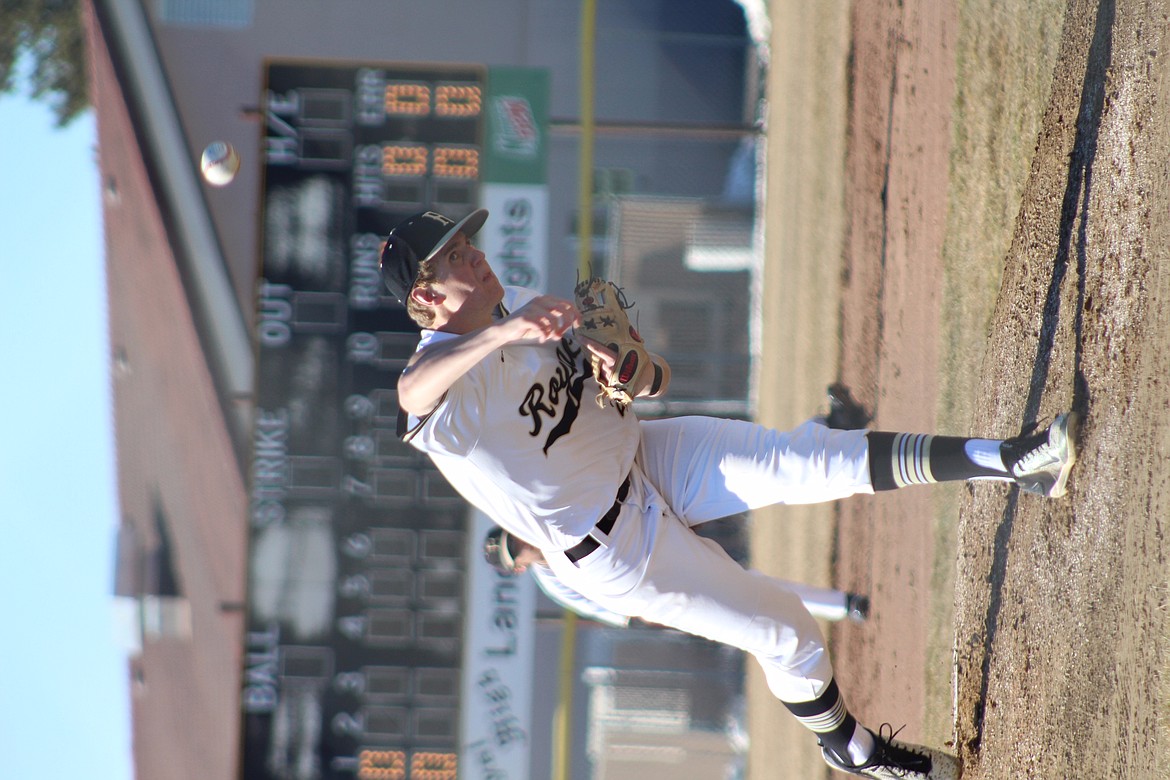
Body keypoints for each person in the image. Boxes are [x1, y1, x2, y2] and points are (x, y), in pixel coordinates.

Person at [380, 208, 1079, 780]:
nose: (475, 255)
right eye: (454, 257)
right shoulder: (447, 400)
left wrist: (633, 367)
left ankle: (1015, 460)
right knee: (787, 632)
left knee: (807, 460)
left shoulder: (528, 308)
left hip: (648, 453)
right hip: (616, 549)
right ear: (424, 297)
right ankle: (855, 752)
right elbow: (411, 395)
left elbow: (652, 381)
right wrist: (501, 330)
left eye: (468, 242)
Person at [483, 525, 871, 626]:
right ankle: (844, 606)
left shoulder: (554, 529)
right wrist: (662, 616)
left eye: (512, 537)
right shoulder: (556, 583)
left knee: (750, 585)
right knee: (753, 599)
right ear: (518, 568)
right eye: (513, 551)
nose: (520, 543)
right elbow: (615, 613)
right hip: (662, 591)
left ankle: (843, 605)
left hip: (660, 542)